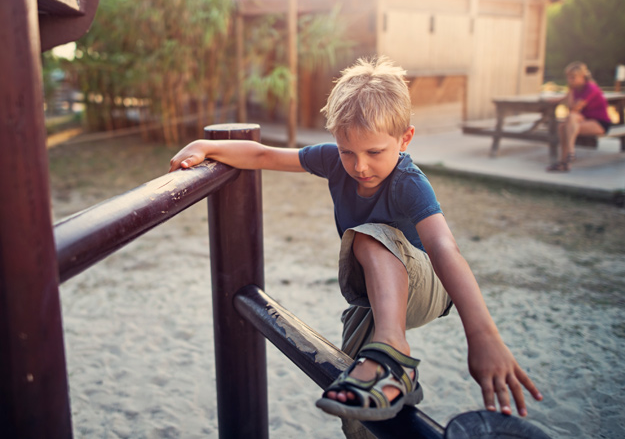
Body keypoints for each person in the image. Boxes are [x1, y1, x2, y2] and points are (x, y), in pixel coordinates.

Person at [169, 56, 542, 436]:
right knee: (353, 396)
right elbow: (263, 155)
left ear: (405, 138)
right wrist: (205, 146)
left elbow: (445, 248)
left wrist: (482, 336)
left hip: (429, 286)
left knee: (367, 234)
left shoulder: (409, 183)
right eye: (348, 152)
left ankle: (395, 350)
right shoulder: (333, 162)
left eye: (375, 152)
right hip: (377, 298)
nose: (360, 166)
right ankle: (393, 377)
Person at [547, 61, 612, 172]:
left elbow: (574, 108)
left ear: (582, 77)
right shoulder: (576, 88)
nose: (569, 80)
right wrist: (557, 98)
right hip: (584, 120)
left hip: (600, 123)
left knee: (571, 118)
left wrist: (570, 92)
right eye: (568, 77)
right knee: (562, 126)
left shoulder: (591, 88)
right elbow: (564, 100)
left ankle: (569, 155)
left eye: (572, 78)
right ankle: (565, 162)